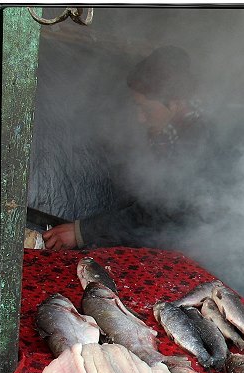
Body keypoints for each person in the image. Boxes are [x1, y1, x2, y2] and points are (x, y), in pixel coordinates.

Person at [43, 45, 219, 250]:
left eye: (146, 109)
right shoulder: (171, 130)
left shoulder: (198, 138)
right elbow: (147, 192)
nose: (140, 118)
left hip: (197, 249)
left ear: (175, 103)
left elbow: (160, 209)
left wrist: (82, 232)